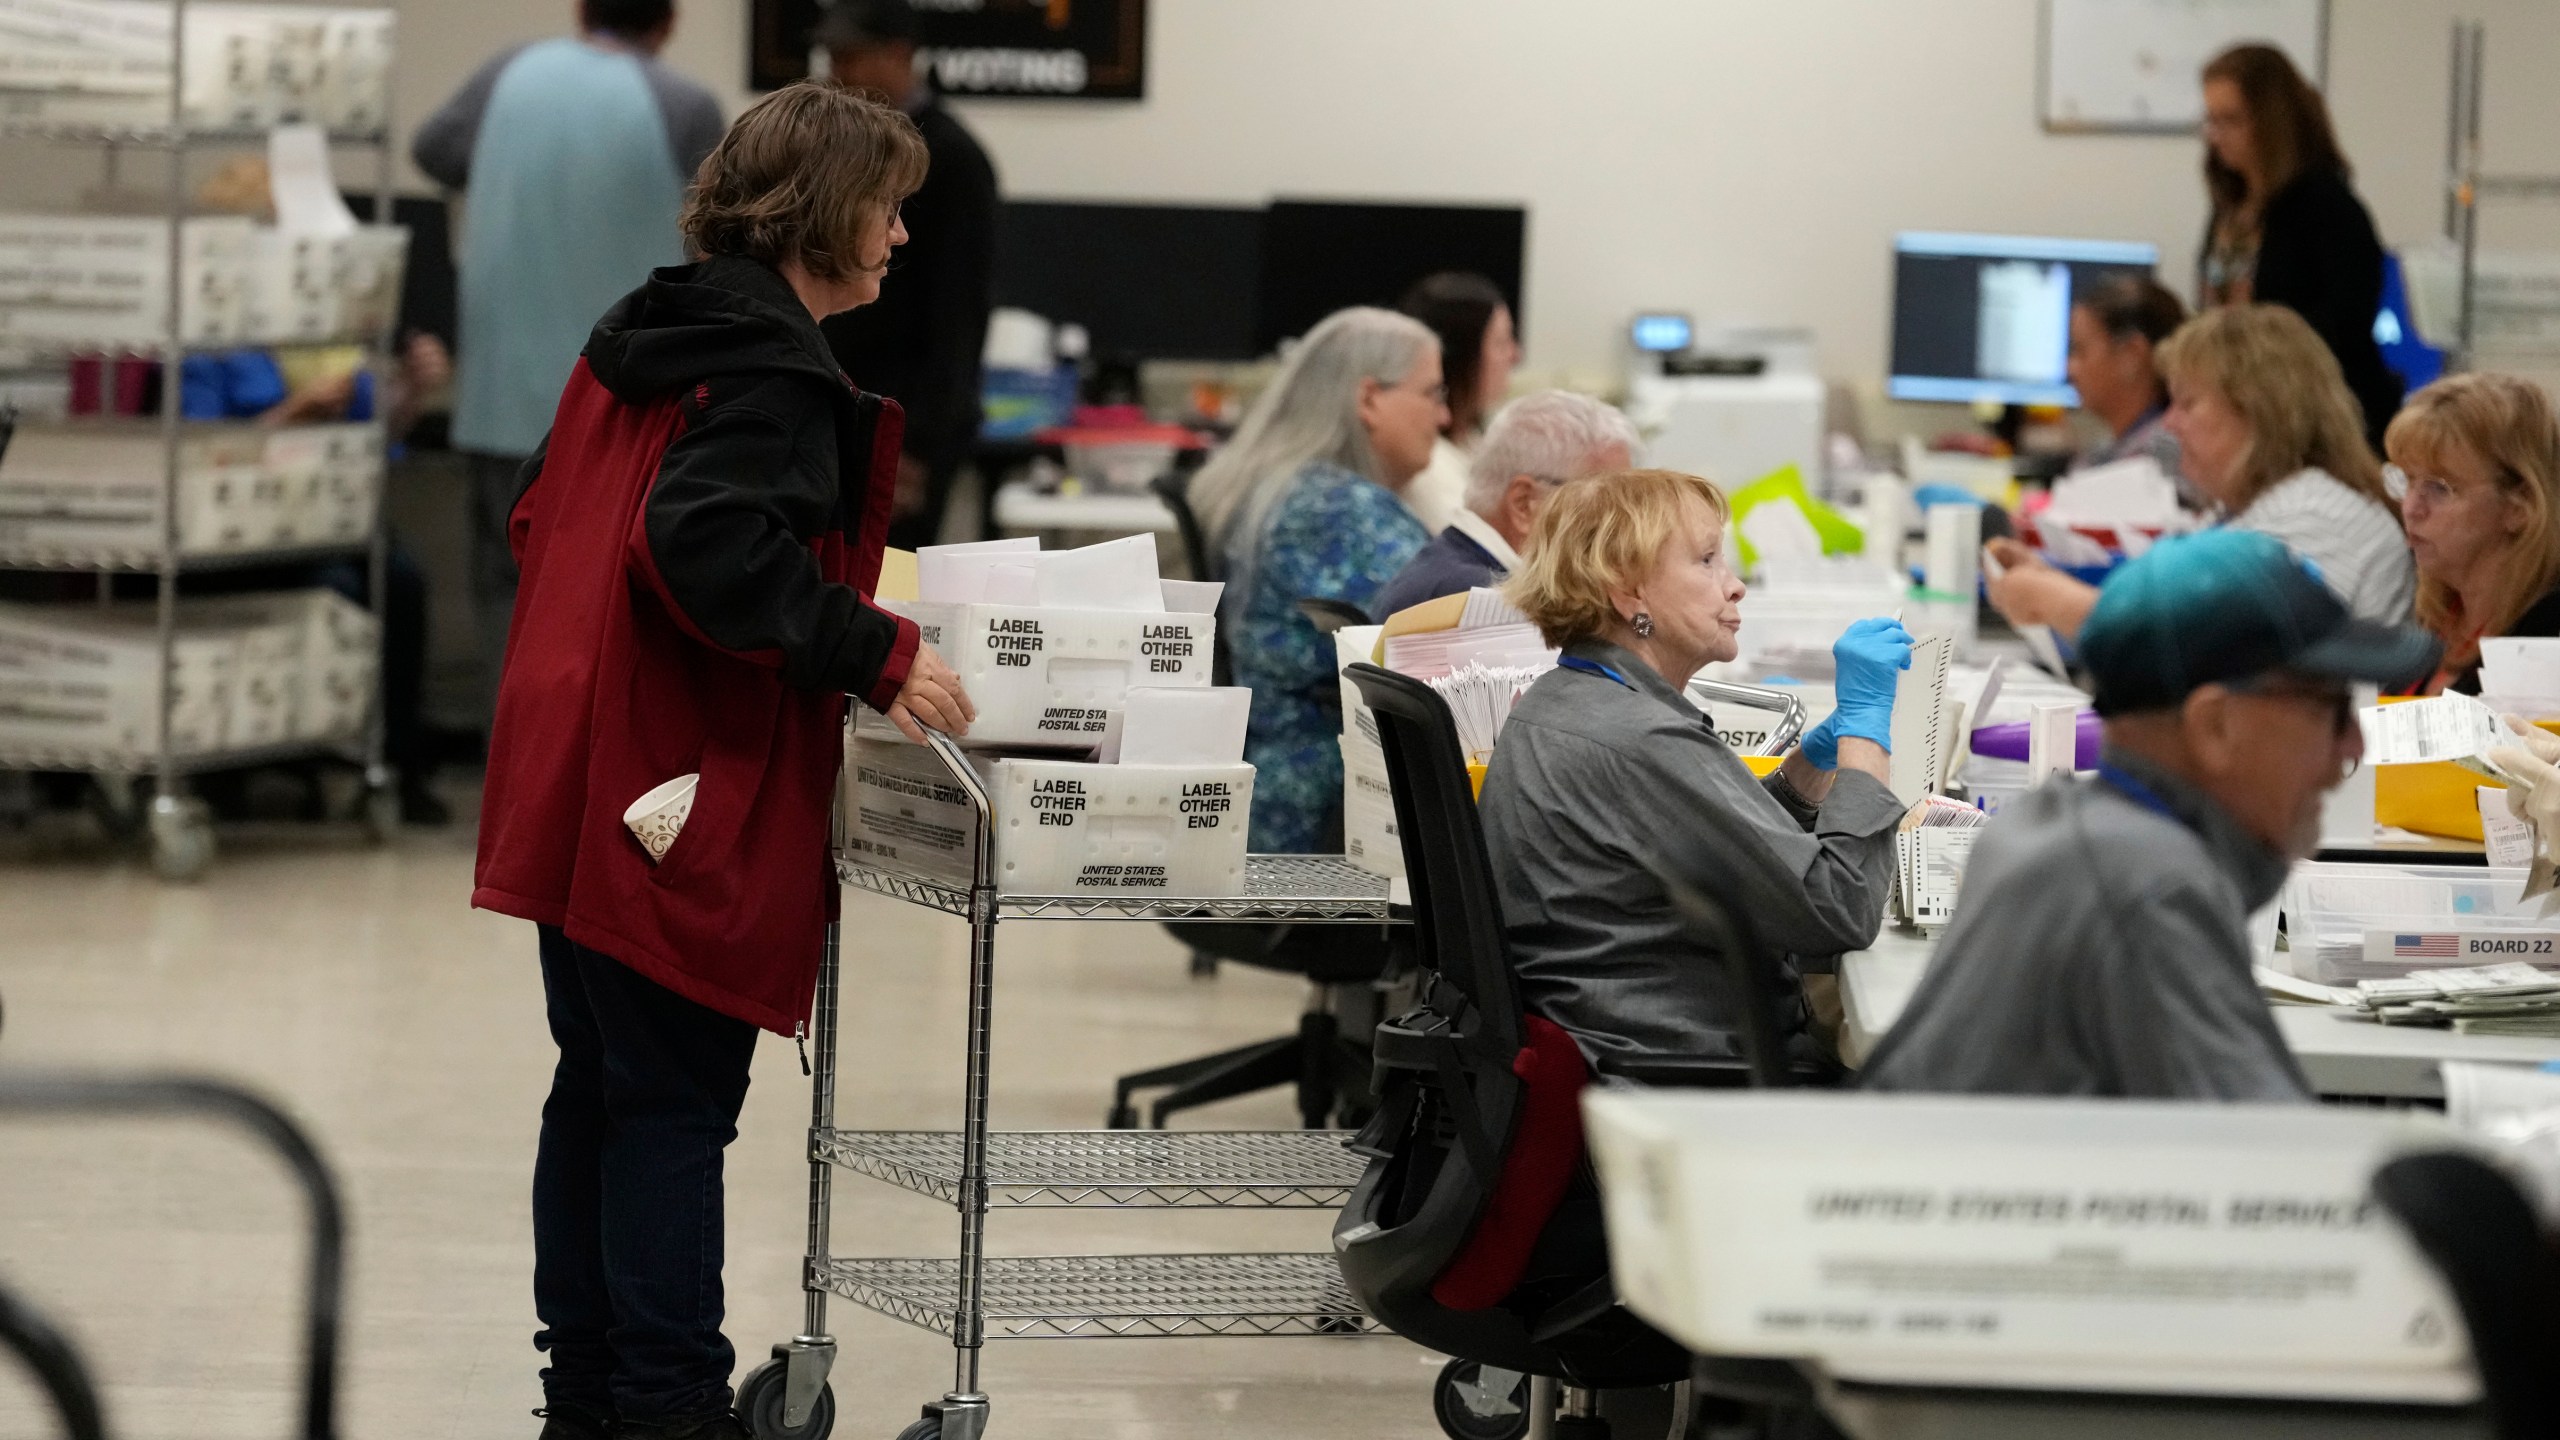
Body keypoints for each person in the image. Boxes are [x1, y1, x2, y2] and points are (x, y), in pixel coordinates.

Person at [472, 84, 974, 1440]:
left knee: (605, 1091)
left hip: (578, 774)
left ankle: (587, 1401)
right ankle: (670, 1407)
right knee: (673, 1113)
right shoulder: (770, 371)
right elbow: (705, 543)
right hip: (673, 794)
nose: (903, 237)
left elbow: (541, 516)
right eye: (887, 207)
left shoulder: (640, 338)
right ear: (822, 215)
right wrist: (863, 646)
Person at [1865, 530, 2438, 1099]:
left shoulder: (2060, 828)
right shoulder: (2149, 888)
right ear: (2215, 726)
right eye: (2333, 709)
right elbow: (2269, 1159)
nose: (2355, 747)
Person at [1480, 468, 1913, 1073]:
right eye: (1706, 561)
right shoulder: (1639, 736)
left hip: (1635, 1046)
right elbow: (1842, 909)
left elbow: (1716, 843)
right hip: (1695, 1075)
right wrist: (1866, 730)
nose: (1734, 586)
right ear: (1628, 591)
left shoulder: (1578, 698)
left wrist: (1813, 763)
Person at [411, 0, 724, 734]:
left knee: (504, 591)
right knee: (613, 600)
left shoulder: (505, 76)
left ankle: (508, 780)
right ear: (667, 22)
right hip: (625, 407)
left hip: (499, 397)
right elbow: (728, 232)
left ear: (582, 11)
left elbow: (433, 151)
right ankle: (588, 789)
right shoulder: (684, 106)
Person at [1987, 304, 2413, 639]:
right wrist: (2050, 581)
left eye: (2187, 403)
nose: (2169, 424)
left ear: (2258, 413)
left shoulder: (2319, 515)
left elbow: (2209, 649)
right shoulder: (2247, 510)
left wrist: (2054, 599)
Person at [1188, 307, 1443, 852]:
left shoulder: (1290, 489)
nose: (1442, 418)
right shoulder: (1334, 513)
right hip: (1322, 812)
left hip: (1273, 786)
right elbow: (1450, 636)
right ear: (1370, 399)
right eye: (1433, 394)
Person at [817, 0, 1000, 551]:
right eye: (831, 56)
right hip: (842, 411)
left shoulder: (950, 158)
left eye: (850, 57)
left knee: (887, 597)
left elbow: (959, 313)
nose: (835, 73)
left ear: (899, 55)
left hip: (902, 422)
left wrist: (915, 447)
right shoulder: (845, 149)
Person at [2197, 43, 2402, 446]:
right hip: (2246, 407)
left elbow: (2344, 322)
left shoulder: (2328, 207)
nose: (2216, 137)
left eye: (2230, 120)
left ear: (2270, 120)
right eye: (2211, 120)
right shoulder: (2231, 205)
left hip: (2317, 419)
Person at [1367, 389, 1639, 619]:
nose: (1625, 526)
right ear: (1524, 504)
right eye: (1606, 502)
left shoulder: (1450, 573)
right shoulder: (1484, 603)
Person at [2386, 373, 2560, 694]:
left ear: (2520, 506)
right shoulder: (2429, 616)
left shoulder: (2549, 637)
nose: (2411, 508)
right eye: (2407, 481)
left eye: (2439, 488)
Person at [1396, 272, 1522, 534]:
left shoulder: (1472, 440)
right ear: (1460, 358)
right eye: (1500, 343)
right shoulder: (1428, 470)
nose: (1514, 355)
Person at [2067, 273, 2187, 483]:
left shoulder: (2159, 466)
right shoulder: (2109, 453)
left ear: (2131, 355)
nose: (2070, 369)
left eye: (2081, 351)